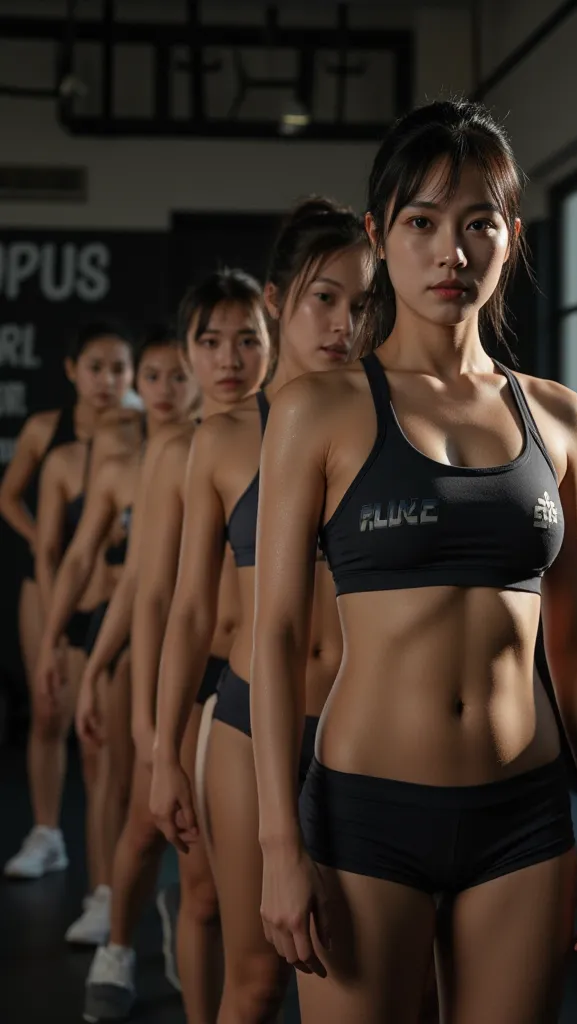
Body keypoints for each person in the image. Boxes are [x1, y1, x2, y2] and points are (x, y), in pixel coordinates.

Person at [249, 100, 577, 1024]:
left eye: (477, 224)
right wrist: (277, 842)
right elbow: (273, 636)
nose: (449, 253)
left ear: (511, 236)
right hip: (363, 821)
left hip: (526, 821)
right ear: (380, 236)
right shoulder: (321, 411)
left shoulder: (559, 417)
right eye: (421, 223)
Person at [150, 197, 370, 1024]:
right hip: (245, 724)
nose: (344, 325)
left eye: (362, 304)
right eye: (324, 299)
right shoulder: (225, 437)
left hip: (362, 726)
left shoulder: (380, 422)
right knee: (257, 978)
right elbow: (184, 611)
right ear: (278, 300)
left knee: (367, 975)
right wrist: (164, 750)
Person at [83, 268, 270, 1024]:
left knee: (247, 895)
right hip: (192, 678)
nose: (229, 360)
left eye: (247, 341)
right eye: (211, 343)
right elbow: (155, 593)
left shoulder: (302, 427)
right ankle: (125, 949)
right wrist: (148, 727)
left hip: (264, 679)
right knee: (190, 880)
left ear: (271, 344)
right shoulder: (176, 452)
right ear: (188, 354)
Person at [33, 326, 196, 944]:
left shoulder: (213, 447)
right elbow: (78, 558)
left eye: (176, 376)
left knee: (179, 777)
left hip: (193, 628)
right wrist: (53, 640)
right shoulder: (119, 461)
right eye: (151, 377)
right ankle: (107, 896)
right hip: (125, 625)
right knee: (111, 772)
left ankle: (181, 907)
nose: (163, 390)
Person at [3, 322, 135, 882]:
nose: (106, 380)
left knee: (96, 733)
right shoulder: (46, 432)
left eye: (118, 369)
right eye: (95, 368)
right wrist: (43, 542)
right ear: (72, 370)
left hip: (109, 596)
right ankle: (46, 831)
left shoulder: (139, 431)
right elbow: (9, 497)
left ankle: (106, 878)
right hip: (50, 589)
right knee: (48, 712)